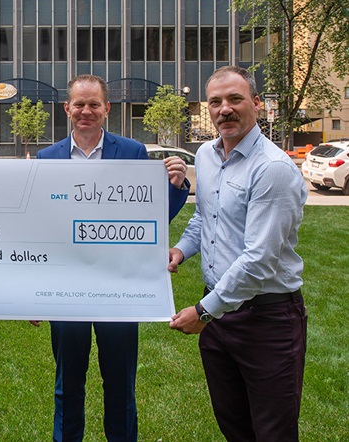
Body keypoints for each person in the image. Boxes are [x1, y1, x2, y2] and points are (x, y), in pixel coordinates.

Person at [35, 74, 190, 442]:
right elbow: (38, 228)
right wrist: (33, 290)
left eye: (93, 104)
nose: (85, 111)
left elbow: (150, 221)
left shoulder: (133, 152)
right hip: (66, 289)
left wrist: (176, 186)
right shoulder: (47, 158)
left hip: (119, 288)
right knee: (67, 384)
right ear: (67, 108)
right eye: (79, 104)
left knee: (120, 385)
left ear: (107, 108)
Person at [168, 66, 308, 441]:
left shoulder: (273, 168)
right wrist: (181, 251)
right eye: (215, 102)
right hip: (220, 317)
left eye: (235, 99)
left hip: (267, 320)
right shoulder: (207, 155)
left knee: (272, 432)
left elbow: (260, 259)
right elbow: (205, 216)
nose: (224, 109)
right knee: (235, 427)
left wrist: (203, 311)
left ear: (257, 104)